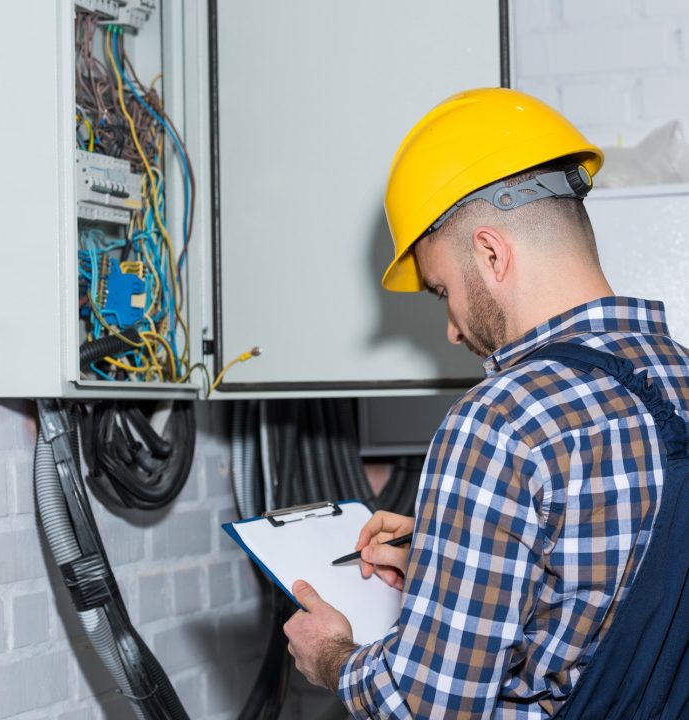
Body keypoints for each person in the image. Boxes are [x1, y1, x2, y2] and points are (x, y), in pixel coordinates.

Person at [283, 87, 689, 718]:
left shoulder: (501, 420)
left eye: (442, 289)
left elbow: (427, 708)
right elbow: (625, 570)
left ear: (492, 253)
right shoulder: (679, 375)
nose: (451, 329)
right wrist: (452, 551)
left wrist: (333, 659)